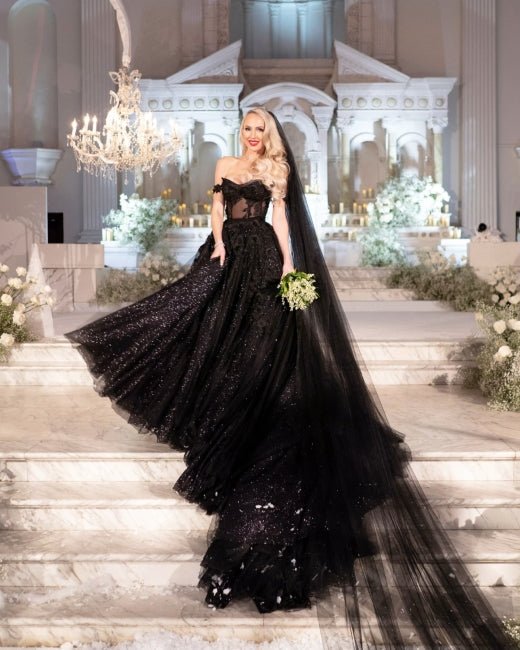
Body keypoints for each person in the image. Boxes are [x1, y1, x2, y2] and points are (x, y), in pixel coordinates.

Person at [66, 108, 513, 649]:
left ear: (270, 135)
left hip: (262, 259)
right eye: (248, 128)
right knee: (200, 328)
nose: (253, 135)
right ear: (241, 132)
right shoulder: (225, 163)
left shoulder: (276, 170)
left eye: (261, 129)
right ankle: (215, 408)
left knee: (261, 343)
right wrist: (219, 243)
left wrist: (286, 266)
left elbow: (278, 221)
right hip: (227, 256)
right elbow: (217, 209)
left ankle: (252, 411)